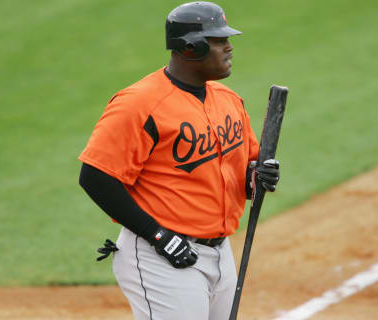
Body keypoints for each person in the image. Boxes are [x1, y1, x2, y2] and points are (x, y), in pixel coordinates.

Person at [78, 2, 280, 319]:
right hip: (160, 256)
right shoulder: (139, 104)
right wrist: (158, 236)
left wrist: (257, 177)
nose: (229, 47)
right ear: (190, 48)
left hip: (220, 251)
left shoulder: (228, 100)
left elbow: (240, 174)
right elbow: (95, 176)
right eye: (218, 41)